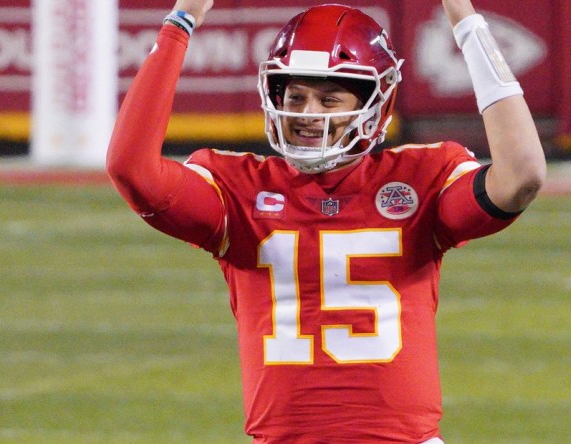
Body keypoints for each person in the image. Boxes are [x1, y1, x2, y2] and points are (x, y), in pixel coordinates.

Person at [106, 0, 546, 441]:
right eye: (295, 96)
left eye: (329, 99)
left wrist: (466, 23)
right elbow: (131, 168)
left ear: (375, 103)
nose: (307, 114)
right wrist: (180, 23)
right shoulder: (236, 189)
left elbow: (521, 174)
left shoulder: (420, 179)